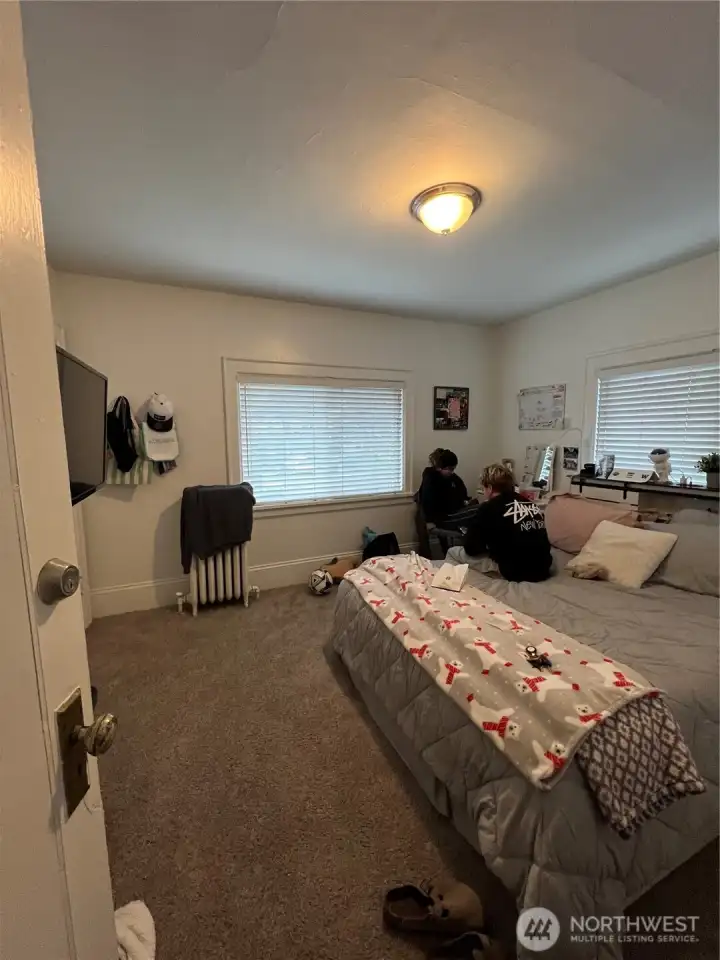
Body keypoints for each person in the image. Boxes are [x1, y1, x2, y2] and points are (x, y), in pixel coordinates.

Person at [463, 463, 552, 582]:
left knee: (455, 552)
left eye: (483, 488)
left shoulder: (488, 507)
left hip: (517, 571)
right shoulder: (530, 503)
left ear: (489, 488)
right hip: (544, 568)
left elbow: (470, 548)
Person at [418, 448, 478, 528]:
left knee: (483, 507)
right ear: (439, 467)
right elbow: (429, 504)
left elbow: (462, 494)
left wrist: (466, 501)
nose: (452, 472)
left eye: (453, 469)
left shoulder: (454, 479)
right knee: (480, 511)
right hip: (443, 518)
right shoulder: (431, 480)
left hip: (455, 511)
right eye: (450, 469)